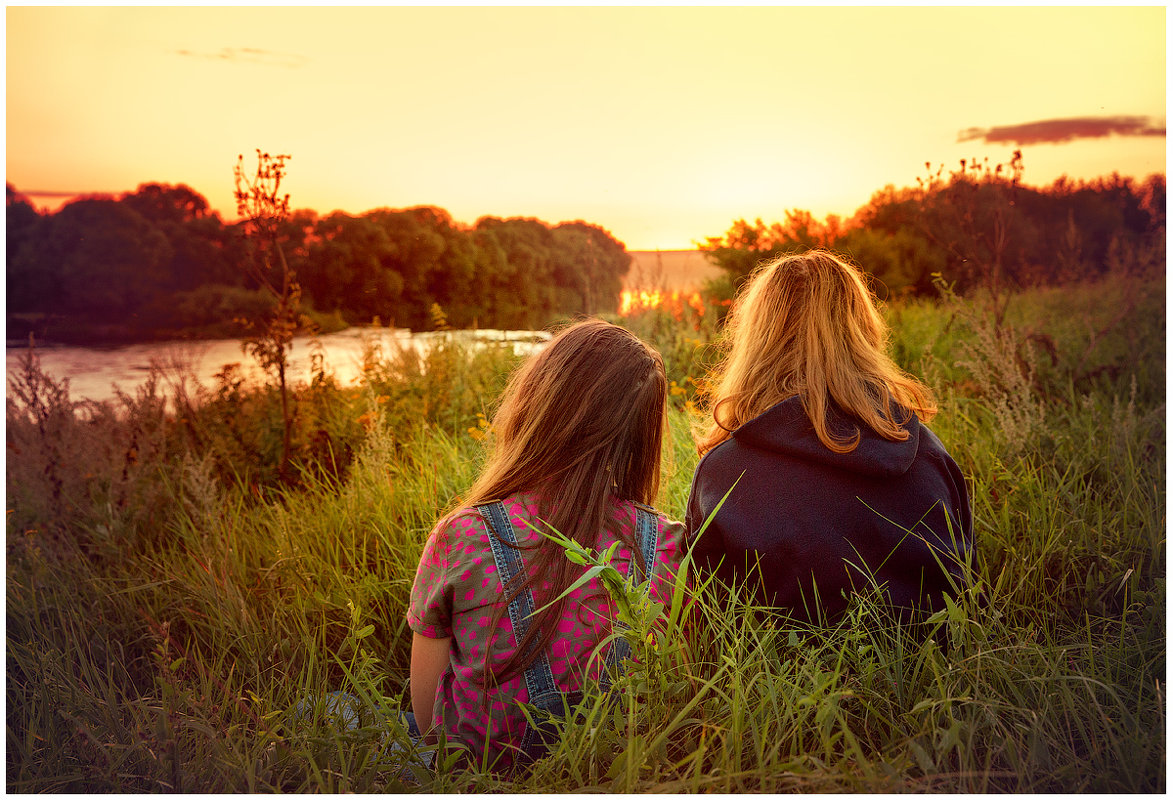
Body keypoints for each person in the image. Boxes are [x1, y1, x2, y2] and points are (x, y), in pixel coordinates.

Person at [407, 318, 684, 771]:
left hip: (475, 779)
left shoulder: (463, 537)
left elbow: (427, 720)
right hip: (619, 774)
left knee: (334, 710)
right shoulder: (667, 545)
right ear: (642, 435)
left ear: (536, 405)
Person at [686, 249, 972, 623]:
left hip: (771, 679)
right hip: (937, 676)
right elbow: (967, 591)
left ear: (756, 341)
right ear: (864, 333)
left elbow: (704, 622)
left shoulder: (723, 474)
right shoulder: (928, 454)